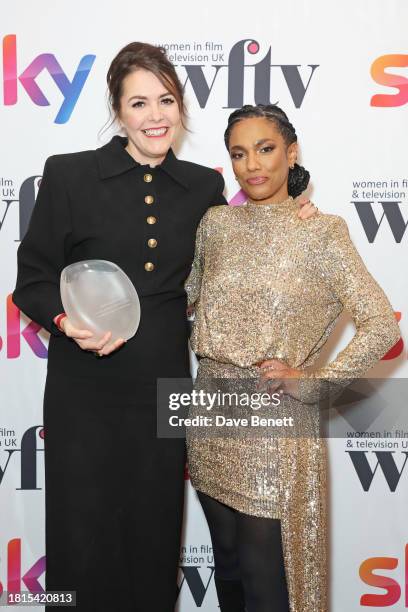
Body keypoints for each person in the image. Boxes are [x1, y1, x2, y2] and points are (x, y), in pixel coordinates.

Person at [12, 43, 317, 611]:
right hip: (85, 391)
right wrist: (62, 321)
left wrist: (300, 208)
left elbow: (248, 228)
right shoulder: (71, 174)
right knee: (81, 536)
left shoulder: (202, 186)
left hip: (164, 388)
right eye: (138, 102)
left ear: (181, 107)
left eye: (166, 100)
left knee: (154, 539)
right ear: (118, 110)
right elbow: (30, 280)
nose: (155, 115)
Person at [185, 104, 400, 612]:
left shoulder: (322, 233)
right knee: (230, 569)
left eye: (265, 149)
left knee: (266, 580)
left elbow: (382, 325)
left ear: (291, 152)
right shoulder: (216, 224)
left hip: (271, 421)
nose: (252, 165)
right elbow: (188, 296)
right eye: (239, 154)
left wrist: (315, 381)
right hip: (210, 411)